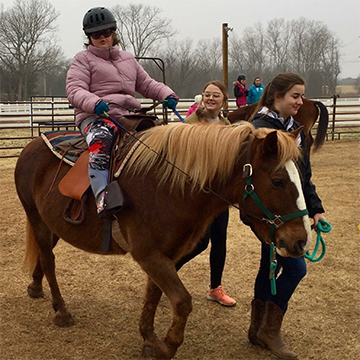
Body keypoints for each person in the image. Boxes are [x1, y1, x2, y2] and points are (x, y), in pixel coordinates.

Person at [66, 6, 178, 217]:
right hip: (97, 115)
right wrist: (94, 102)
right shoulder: (82, 60)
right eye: (96, 34)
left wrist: (166, 94)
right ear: (89, 37)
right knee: (102, 140)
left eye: (106, 33)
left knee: (162, 139)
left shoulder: (128, 58)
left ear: (113, 33)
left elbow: (146, 84)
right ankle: (102, 197)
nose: (102, 37)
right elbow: (74, 89)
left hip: (128, 116)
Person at [247, 73, 326, 359]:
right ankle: (268, 331)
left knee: (266, 266)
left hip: (289, 211)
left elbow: (303, 178)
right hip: (272, 215)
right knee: (295, 268)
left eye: (301, 96)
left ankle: (257, 329)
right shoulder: (258, 131)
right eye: (295, 96)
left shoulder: (296, 130)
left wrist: (315, 209)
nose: (300, 101)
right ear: (277, 96)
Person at [176, 80, 236, 307]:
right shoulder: (190, 123)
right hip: (198, 195)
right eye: (207, 94)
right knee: (201, 242)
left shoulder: (227, 123)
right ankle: (167, 273)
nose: (210, 98)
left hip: (220, 195)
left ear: (223, 100)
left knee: (220, 242)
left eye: (216, 95)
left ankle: (215, 288)